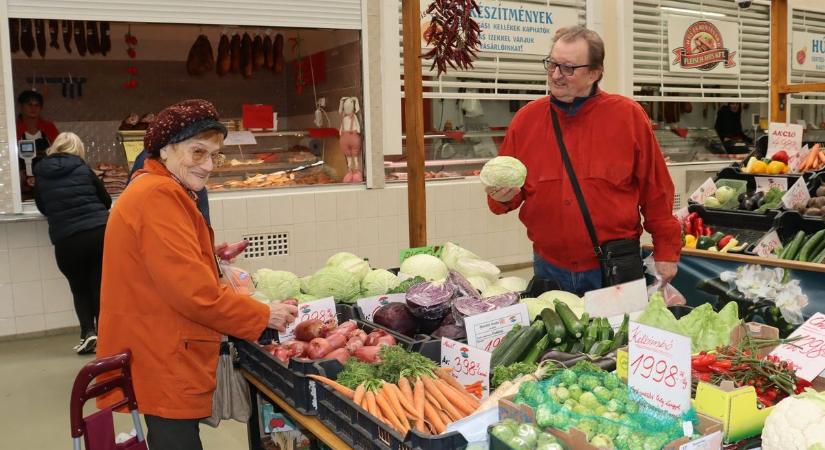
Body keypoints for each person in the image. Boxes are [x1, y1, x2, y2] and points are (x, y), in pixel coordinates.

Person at [96, 99, 298, 450]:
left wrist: (207, 255)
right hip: (162, 351)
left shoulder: (157, 187)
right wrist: (264, 314)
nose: (207, 165)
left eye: (214, 155)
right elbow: (194, 294)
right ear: (166, 149)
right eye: (198, 152)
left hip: (155, 344)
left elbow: (162, 265)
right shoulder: (158, 195)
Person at [485, 26, 681, 296]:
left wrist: (666, 250)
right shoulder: (526, 121)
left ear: (594, 73)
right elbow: (503, 199)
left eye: (568, 68)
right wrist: (500, 196)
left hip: (613, 265)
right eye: (552, 64)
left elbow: (656, 189)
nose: (556, 75)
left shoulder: (628, 117)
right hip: (549, 267)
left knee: (618, 327)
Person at [33, 132, 110, 354]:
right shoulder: (83, 169)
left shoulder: (41, 173)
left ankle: (88, 333)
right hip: (98, 234)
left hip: (66, 239)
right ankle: (105, 335)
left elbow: (42, 206)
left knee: (79, 288)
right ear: (78, 149)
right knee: (98, 285)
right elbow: (105, 201)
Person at [16, 90, 59, 197]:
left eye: (37, 105)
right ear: (21, 106)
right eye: (29, 104)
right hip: (21, 186)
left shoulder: (49, 128)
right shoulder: (14, 129)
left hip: (48, 184)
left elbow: (59, 153)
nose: (33, 108)